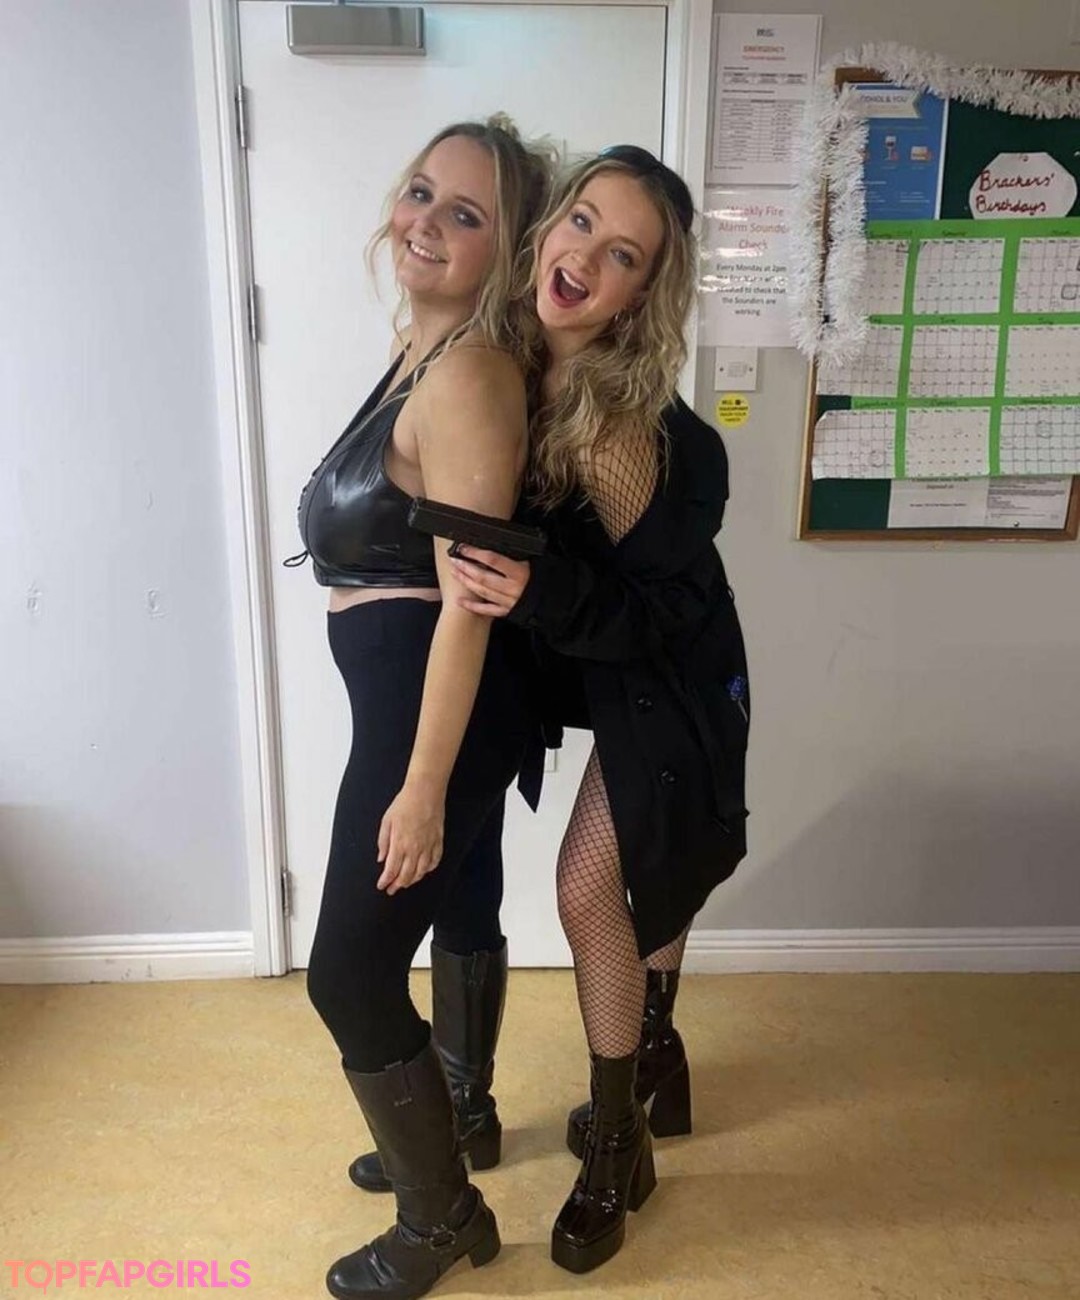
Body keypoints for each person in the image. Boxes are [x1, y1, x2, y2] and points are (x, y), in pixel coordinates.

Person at [451, 146, 750, 1273]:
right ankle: (657, 1051)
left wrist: (536, 590)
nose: (583, 256)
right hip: (617, 669)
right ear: (548, 226)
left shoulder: (613, 425)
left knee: (593, 890)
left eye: (622, 253)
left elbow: (657, 620)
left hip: (677, 675)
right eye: (580, 220)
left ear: (638, 294)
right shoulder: (506, 358)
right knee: (641, 874)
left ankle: (620, 1142)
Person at [293, 117, 551, 1300]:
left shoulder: (472, 376)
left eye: (467, 214)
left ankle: (442, 1217)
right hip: (413, 704)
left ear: (507, 250)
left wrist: (423, 787)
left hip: (430, 715)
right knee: (450, 907)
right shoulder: (423, 348)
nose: (427, 223)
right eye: (419, 193)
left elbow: (467, 607)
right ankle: (458, 1118)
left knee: (347, 974)